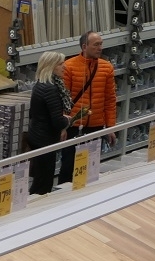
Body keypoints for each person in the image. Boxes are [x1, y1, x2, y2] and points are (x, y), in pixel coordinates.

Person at [59, 31, 118, 185]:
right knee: (68, 165)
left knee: (91, 167)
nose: (100, 48)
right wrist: (63, 127)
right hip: (73, 125)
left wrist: (110, 127)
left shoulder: (106, 68)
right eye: (96, 45)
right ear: (84, 47)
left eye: (101, 44)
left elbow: (110, 100)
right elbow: (64, 100)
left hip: (96, 126)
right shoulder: (69, 66)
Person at [26, 52, 86, 195]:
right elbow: (58, 122)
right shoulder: (51, 89)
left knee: (40, 177)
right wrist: (68, 119)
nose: (64, 67)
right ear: (51, 66)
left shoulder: (40, 85)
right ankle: (38, 203)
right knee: (44, 181)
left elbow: (34, 113)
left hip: (37, 135)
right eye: (60, 64)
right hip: (45, 140)